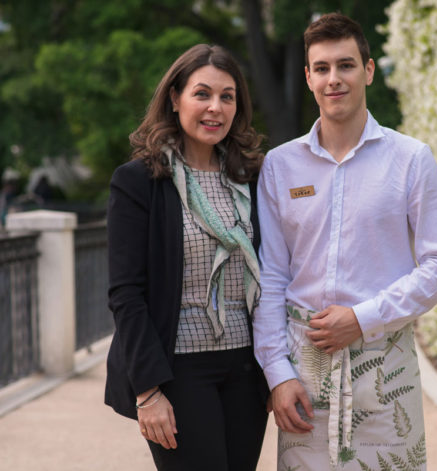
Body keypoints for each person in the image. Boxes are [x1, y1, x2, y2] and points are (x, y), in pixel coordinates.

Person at [254, 13, 437, 471]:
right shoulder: (279, 166)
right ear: (308, 77)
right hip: (303, 370)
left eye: (346, 65)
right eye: (323, 68)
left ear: (368, 70)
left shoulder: (411, 159)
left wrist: (363, 318)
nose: (335, 79)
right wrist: (277, 374)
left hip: (386, 367)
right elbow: (272, 275)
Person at [105, 44, 268, 471]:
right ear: (175, 98)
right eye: (202, 94)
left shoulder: (251, 178)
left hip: (247, 372)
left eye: (227, 96)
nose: (215, 107)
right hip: (178, 373)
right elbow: (126, 293)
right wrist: (148, 392)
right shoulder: (139, 181)